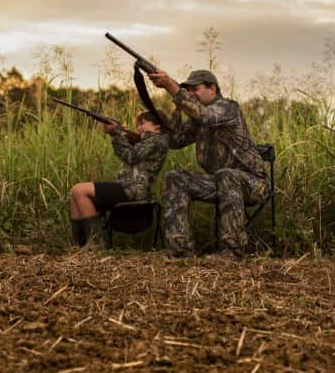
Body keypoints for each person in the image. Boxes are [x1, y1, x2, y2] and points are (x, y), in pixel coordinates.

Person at [147, 69, 269, 259]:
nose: (191, 94)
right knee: (176, 178)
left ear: (212, 88)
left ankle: (233, 251)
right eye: (188, 90)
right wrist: (177, 109)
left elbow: (204, 115)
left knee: (226, 175)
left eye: (195, 89)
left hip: (254, 185)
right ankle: (180, 249)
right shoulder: (197, 121)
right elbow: (175, 141)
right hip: (220, 182)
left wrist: (171, 86)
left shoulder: (228, 108)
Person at [68, 110, 168, 247]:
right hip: (126, 187)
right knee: (75, 192)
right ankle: (78, 246)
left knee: (80, 190)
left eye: (142, 124)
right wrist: (119, 132)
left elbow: (131, 156)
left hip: (134, 190)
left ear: (158, 126)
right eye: (137, 125)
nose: (138, 128)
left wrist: (116, 134)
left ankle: (95, 246)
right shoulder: (145, 142)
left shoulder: (156, 140)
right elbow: (131, 152)